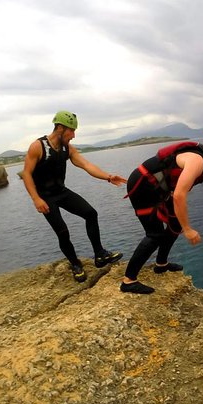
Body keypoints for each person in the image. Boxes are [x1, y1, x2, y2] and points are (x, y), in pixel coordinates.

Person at [121, 130, 203, 294]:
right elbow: (180, 195)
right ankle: (128, 281)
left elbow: (176, 187)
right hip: (143, 186)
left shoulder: (198, 157)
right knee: (155, 235)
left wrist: (182, 222)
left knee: (175, 223)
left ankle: (161, 264)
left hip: (154, 186)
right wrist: (188, 229)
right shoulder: (197, 160)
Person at [21, 111, 127, 283]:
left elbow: (86, 164)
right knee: (63, 232)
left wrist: (108, 177)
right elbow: (26, 174)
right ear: (61, 128)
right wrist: (36, 199)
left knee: (91, 213)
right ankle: (75, 264)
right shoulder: (38, 146)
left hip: (61, 192)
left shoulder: (67, 148)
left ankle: (99, 255)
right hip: (45, 197)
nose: (74, 135)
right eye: (71, 131)